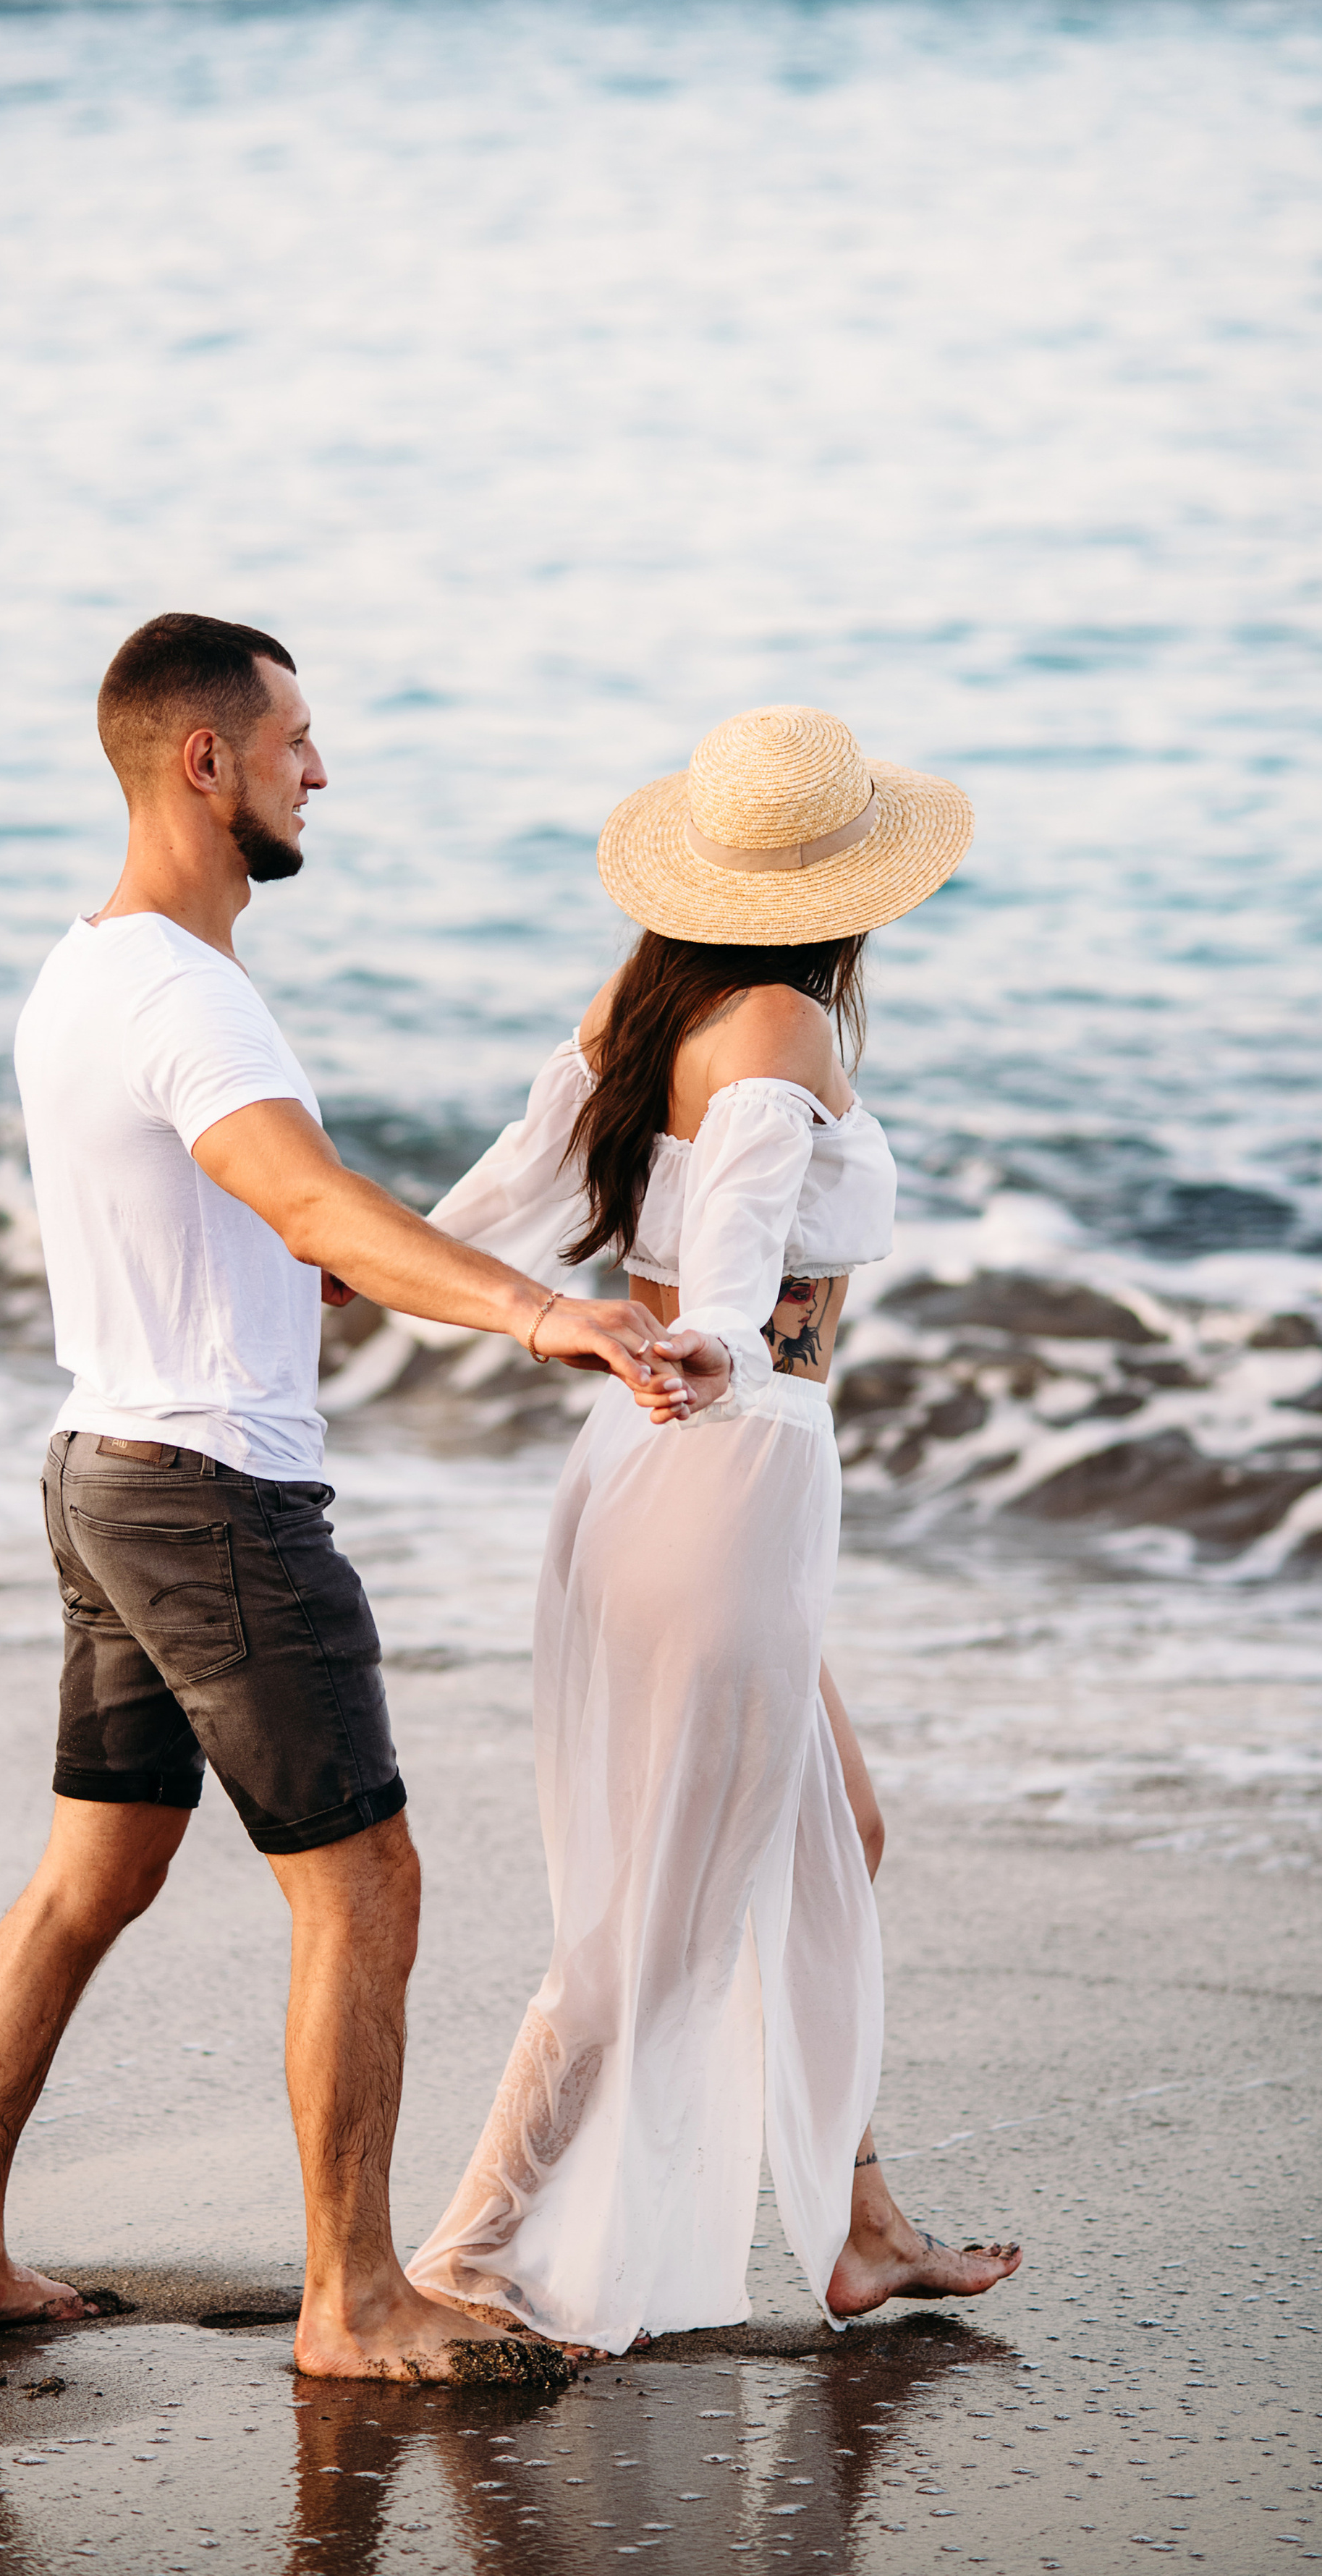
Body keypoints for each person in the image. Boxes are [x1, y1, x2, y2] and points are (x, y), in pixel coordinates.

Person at [0, 613, 711, 2384]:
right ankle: (354, 2298)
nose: (318, 771)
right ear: (206, 759)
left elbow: (249, 1219)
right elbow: (309, 1200)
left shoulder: (92, 968)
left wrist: (328, 1264)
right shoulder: (188, 992)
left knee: (87, 1878)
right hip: (213, 1505)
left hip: (107, 1466)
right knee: (365, 1883)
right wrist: (543, 1311)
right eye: (296, 741)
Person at [407, 702, 1025, 2353]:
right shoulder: (783, 1032)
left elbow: (524, 1183)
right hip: (729, 1461)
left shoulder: (648, 1000)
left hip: (651, 1461)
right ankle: (463, 2258)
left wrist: (388, 1258)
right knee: (657, 1919)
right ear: (851, 883)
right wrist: (729, 1342)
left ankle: (860, 2223)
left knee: (838, 1835)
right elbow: (745, 1227)